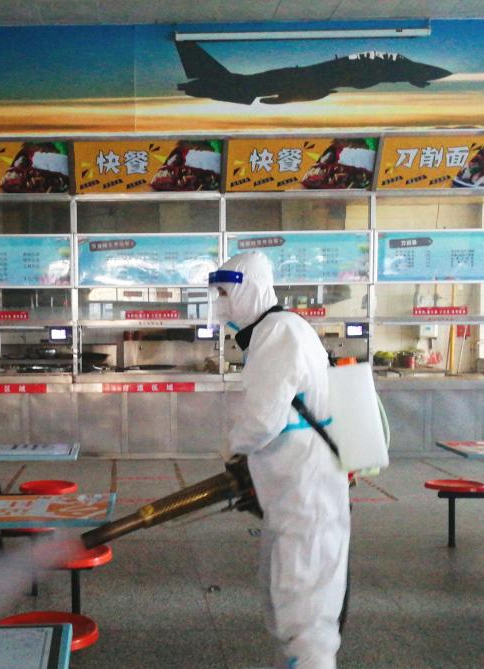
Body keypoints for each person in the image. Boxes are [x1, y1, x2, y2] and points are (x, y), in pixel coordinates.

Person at [210, 251, 350, 669]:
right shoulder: (278, 330)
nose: (220, 303)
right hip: (292, 494)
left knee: (304, 618)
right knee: (287, 604)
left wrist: (231, 450)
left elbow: (261, 420)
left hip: (306, 497)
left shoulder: (278, 332)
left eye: (225, 292)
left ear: (251, 289)